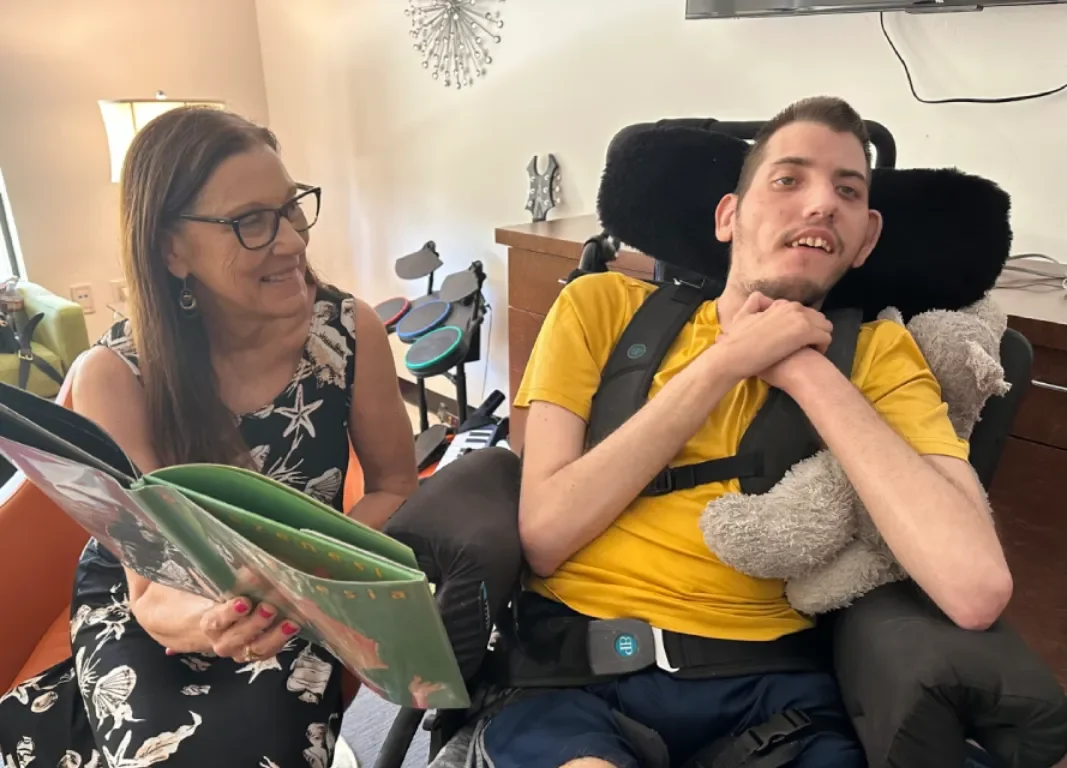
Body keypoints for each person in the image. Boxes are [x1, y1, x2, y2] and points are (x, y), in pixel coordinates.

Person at [478, 97, 1014, 768]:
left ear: (866, 238)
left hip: (775, 698)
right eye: (788, 179)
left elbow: (974, 588)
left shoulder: (881, 355)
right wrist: (725, 361)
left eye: (847, 191)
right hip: (577, 674)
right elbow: (545, 536)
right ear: (728, 216)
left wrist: (806, 372)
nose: (820, 204)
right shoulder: (599, 306)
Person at [0, 106, 423, 767]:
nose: (292, 241)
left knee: (259, 745)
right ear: (172, 249)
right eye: (251, 221)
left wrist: (303, 574)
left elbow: (396, 485)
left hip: (293, 595)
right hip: (154, 600)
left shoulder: (347, 332)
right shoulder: (116, 374)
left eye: (291, 209)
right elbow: (149, 589)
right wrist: (214, 620)